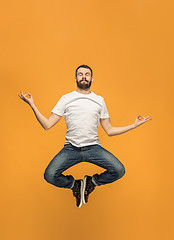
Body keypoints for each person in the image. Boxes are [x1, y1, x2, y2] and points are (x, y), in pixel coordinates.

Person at [18, 64, 152, 208]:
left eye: (87, 74)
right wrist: (32, 105)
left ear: (92, 79)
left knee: (119, 170)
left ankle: (91, 183)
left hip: (93, 148)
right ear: (75, 78)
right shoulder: (66, 99)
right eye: (80, 74)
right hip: (71, 149)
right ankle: (75, 185)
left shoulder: (99, 100)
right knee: (50, 175)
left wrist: (133, 125)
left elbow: (110, 130)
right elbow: (47, 124)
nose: (83, 76)